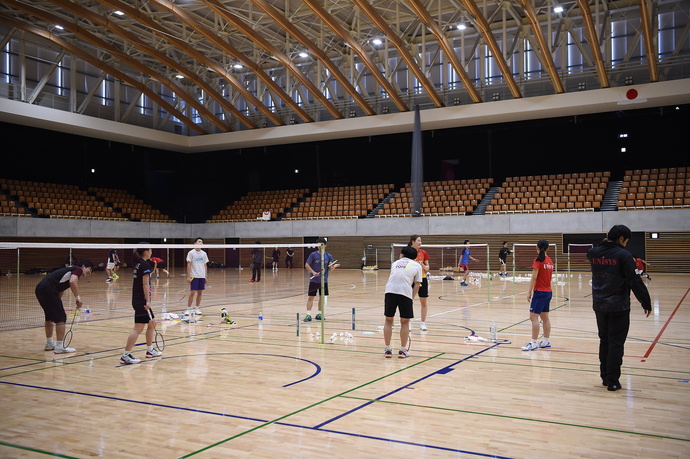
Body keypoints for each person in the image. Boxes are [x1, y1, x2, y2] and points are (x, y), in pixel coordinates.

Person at [588, 225, 651, 391]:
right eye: (626, 241)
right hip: (618, 307)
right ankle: (613, 380)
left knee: (605, 340)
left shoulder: (594, 253)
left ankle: (605, 377)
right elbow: (634, 280)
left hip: (599, 305)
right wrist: (646, 301)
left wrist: (605, 243)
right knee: (616, 343)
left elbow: (597, 249)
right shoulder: (623, 255)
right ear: (622, 239)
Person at [36, 259, 93, 353]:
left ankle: (49, 343)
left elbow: (60, 288)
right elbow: (72, 282)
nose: (89, 273)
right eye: (89, 270)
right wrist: (78, 298)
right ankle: (59, 346)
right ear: (84, 266)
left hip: (40, 289)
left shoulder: (68, 270)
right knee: (61, 318)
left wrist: (57, 301)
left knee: (49, 316)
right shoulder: (77, 269)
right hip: (48, 290)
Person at [120, 245, 162, 364]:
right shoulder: (143, 265)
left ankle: (150, 350)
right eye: (150, 250)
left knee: (152, 323)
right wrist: (148, 300)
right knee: (138, 328)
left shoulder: (139, 264)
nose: (151, 252)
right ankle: (125, 355)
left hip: (138, 299)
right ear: (145, 252)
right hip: (141, 301)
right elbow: (145, 284)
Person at [383, 245, 422, 358]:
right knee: (405, 322)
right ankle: (402, 350)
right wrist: (412, 298)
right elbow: (417, 284)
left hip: (389, 291)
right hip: (405, 293)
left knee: (388, 320)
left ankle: (388, 350)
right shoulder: (417, 265)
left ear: (402, 255)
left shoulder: (395, 263)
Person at [521, 240, 554, 351]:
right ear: (548, 248)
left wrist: (529, 292)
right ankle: (546, 341)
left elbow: (534, 277)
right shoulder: (550, 261)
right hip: (548, 292)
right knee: (545, 318)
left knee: (533, 317)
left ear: (537, 247)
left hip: (540, 292)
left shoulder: (538, 260)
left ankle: (533, 343)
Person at [303, 237, 339, 322]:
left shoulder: (328, 256)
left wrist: (334, 267)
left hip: (324, 281)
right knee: (311, 297)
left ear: (325, 245)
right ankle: (308, 315)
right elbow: (307, 265)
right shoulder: (313, 255)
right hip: (314, 280)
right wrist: (313, 272)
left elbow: (330, 268)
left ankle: (319, 314)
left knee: (321, 298)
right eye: (318, 245)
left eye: (322, 244)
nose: (320, 246)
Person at [409, 235, 430, 331]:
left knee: (423, 301)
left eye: (421, 241)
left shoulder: (423, 253)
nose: (420, 242)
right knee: (409, 300)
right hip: (410, 278)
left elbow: (427, 267)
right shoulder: (408, 252)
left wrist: (422, 265)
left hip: (422, 278)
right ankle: (408, 322)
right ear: (413, 241)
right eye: (418, 241)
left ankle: (423, 323)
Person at [186, 237, 208, 315]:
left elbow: (205, 265)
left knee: (200, 293)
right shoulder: (191, 253)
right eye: (199, 241)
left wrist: (206, 276)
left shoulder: (204, 253)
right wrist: (188, 276)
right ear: (195, 243)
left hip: (201, 276)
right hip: (194, 276)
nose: (200, 243)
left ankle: (197, 308)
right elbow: (188, 264)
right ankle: (188, 309)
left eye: (201, 242)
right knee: (192, 293)